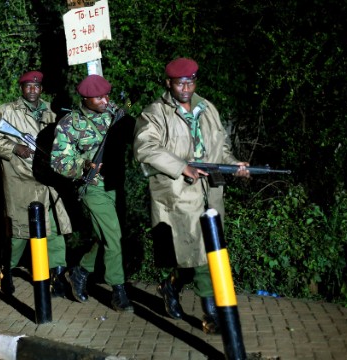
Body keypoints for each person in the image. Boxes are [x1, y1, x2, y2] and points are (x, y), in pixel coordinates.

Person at [132, 57, 250, 333]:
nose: (186, 87)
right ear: (169, 83)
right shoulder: (155, 113)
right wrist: (182, 165)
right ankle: (211, 314)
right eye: (180, 82)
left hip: (210, 191)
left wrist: (234, 165)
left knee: (200, 250)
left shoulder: (207, 108)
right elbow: (145, 147)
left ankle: (170, 286)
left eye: (191, 81)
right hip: (178, 194)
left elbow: (221, 146)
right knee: (202, 252)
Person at [0, 70, 72, 297]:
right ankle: (7, 272)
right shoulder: (7, 111)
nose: (33, 90)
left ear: (41, 89)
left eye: (37, 86)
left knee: (54, 228)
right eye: (28, 86)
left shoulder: (51, 111)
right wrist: (13, 148)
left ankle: (56, 275)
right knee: (20, 232)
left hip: (48, 180)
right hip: (20, 180)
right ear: (21, 88)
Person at [50, 74, 134, 313]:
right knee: (113, 237)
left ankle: (80, 271)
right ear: (85, 99)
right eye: (98, 97)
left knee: (108, 236)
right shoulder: (70, 124)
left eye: (107, 95)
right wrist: (83, 165)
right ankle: (118, 290)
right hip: (93, 188)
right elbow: (58, 162)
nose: (104, 100)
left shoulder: (115, 112)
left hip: (116, 185)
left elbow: (135, 131)